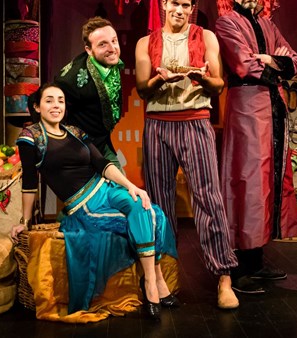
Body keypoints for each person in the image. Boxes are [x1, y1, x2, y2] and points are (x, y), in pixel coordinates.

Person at [9, 83, 178, 319]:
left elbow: (102, 164)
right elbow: (29, 182)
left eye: (60, 100)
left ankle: (151, 280)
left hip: (107, 189)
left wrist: (131, 186)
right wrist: (25, 221)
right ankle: (156, 285)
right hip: (84, 204)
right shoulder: (31, 138)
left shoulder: (74, 132)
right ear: (37, 107)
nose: (56, 105)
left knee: (145, 208)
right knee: (138, 220)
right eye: (49, 100)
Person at [134, 0, 240, 310]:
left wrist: (200, 77)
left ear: (192, 9)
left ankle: (224, 277)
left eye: (185, 5)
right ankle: (164, 277)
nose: (179, 10)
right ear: (164, 4)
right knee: (159, 204)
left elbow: (218, 84)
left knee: (208, 198)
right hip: (158, 125)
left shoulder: (205, 37)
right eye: (174, 3)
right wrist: (159, 79)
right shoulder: (146, 42)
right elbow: (142, 88)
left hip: (195, 121)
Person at [214, 0, 297, 294]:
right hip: (247, 108)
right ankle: (239, 267)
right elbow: (243, 64)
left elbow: (296, 61)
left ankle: (257, 260)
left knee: (267, 180)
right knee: (248, 180)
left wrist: (269, 59)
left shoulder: (269, 25)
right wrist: (275, 63)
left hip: (273, 108)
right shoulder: (227, 23)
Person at [54, 16, 124, 170]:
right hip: (78, 151)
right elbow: (39, 102)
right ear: (89, 50)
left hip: (102, 144)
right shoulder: (71, 79)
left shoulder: (110, 63)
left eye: (114, 41)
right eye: (103, 44)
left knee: (122, 185)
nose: (112, 48)